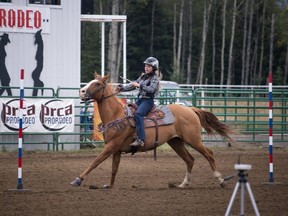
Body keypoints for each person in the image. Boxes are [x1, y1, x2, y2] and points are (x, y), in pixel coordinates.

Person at [116, 57, 160, 147]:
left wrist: (140, 85)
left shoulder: (155, 78)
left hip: (148, 101)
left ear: (154, 68)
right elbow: (132, 85)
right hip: (140, 100)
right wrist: (121, 88)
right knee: (128, 113)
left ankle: (141, 139)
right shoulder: (143, 76)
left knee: (138, 114)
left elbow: (151, 89)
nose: (146, 68)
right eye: (145, 66)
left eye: (149, 66)